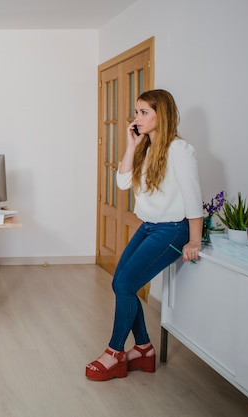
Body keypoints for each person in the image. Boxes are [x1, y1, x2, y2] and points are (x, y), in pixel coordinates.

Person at [85, 89, 203, 381]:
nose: (136, 118)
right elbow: (122, 182)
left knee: (125, 284)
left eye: (143, 113)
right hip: (149, 226)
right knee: (120, 282)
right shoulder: (146, 147)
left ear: (160, 114)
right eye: (136, 112)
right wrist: (131, 144)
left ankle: (115, 353)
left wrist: (195, 239)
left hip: (173, 229)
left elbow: (193, 198)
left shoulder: (180, 150)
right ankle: (145, 349)